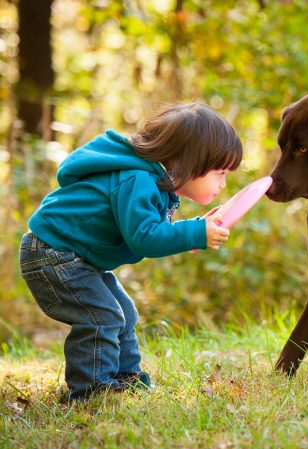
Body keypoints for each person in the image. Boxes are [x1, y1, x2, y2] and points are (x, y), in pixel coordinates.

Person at [19, 103, 242, 402]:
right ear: (190, 161)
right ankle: (91, 391)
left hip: (74, 256)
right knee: (102, 316)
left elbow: (152, 229)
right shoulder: (137, 179)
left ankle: (126, 378)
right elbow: (144, 237)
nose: (223, 184)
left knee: (124, 312)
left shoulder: (152, 181)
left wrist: (192, 233)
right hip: (52, 254)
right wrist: (195, 234)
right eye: (220, 173)